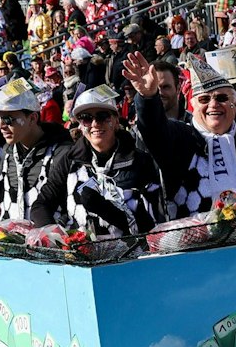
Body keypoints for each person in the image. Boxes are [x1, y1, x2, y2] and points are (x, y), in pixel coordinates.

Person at [124, 48, 236, 216]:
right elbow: (155, 131)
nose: (213, 104)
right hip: (195, 240)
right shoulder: (181, 138)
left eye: (222, 98)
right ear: (194, 105)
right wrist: (148, 98)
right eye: (204, 99)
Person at [34, 85, 164, 235]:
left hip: (132, 254)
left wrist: (106, 210)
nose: (95, 123)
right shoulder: (70, 160)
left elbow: (154, 224)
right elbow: (41, 204)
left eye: (102, 116)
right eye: (86, 118)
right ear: (81, 126)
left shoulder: (139, 161)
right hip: (82, 252)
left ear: (116, 121)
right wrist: (55, 237)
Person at [0, 78, 66, 224]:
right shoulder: (9, 151)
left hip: (53, 243)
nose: (0, 126)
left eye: (8, 119)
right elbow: (2, 182)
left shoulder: (63, 153)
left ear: (32, 118)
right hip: (14, 242)